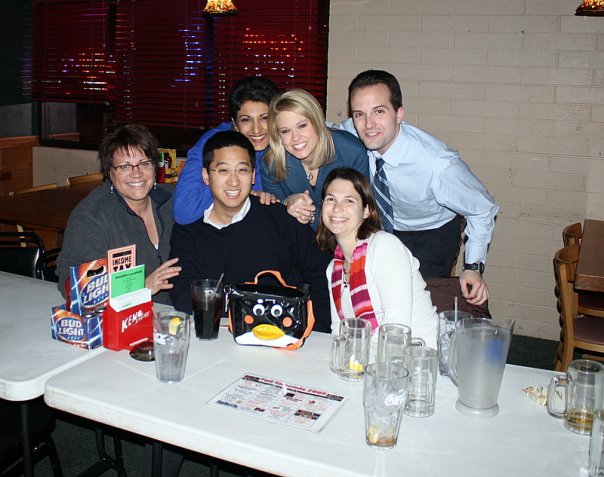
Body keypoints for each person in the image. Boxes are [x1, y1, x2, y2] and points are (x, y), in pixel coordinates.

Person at [345, 69, 499, 306]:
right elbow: (320, 130)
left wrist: (473, 267)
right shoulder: (353, 132)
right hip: (381, 227)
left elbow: (482, 209)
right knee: (371, 297)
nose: (368, 124)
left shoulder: (437, 165)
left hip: (431, 234)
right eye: (359, 114)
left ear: (399, 114)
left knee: (416, 304)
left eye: (379, 111)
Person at [169, 130, 332, 333]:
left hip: (283, 338)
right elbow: (184, 296)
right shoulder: (188, 231)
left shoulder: (279, 218)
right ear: (206, 176)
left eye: (242, 170)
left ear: (253, 175)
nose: (233, 181)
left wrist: (316, 331)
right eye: (223, 171)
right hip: (216, 338)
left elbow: (324, 273)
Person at [57, 124, 180, 305]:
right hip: (124, 315)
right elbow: (74, 287)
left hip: (177, 312)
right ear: (110, 172)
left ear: (155, 167)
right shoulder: (91, 218)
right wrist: (141, 287)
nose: (137, 173)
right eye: (124, 166)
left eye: (144, 163)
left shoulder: (173, 200)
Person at [315, 168, 437, 347]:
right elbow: (338, 330)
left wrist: (358, 356)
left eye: (349, 200)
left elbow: (395, 329)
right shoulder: (334, 269)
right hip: (368, 358)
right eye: (330, 199)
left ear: (366, 211)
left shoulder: (384, 247)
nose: (337, 208)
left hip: (418, 355)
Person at [173, 76, 280, 225]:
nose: (256, 129)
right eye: (246, 120)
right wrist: (239, 190)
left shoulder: (288, 141)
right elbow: (183, 211)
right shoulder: (213, 144)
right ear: (234, 123)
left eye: (264, 118)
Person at [261, 88, 370, 229]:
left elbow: (360, 212)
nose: (295, 137)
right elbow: (275, 219)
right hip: (296, 238)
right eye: (285, 131)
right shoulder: (271, 165)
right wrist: (286, 203)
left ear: (317, 122)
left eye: (302, 125)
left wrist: (311, 215)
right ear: (278, 135)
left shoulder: (352, 152)